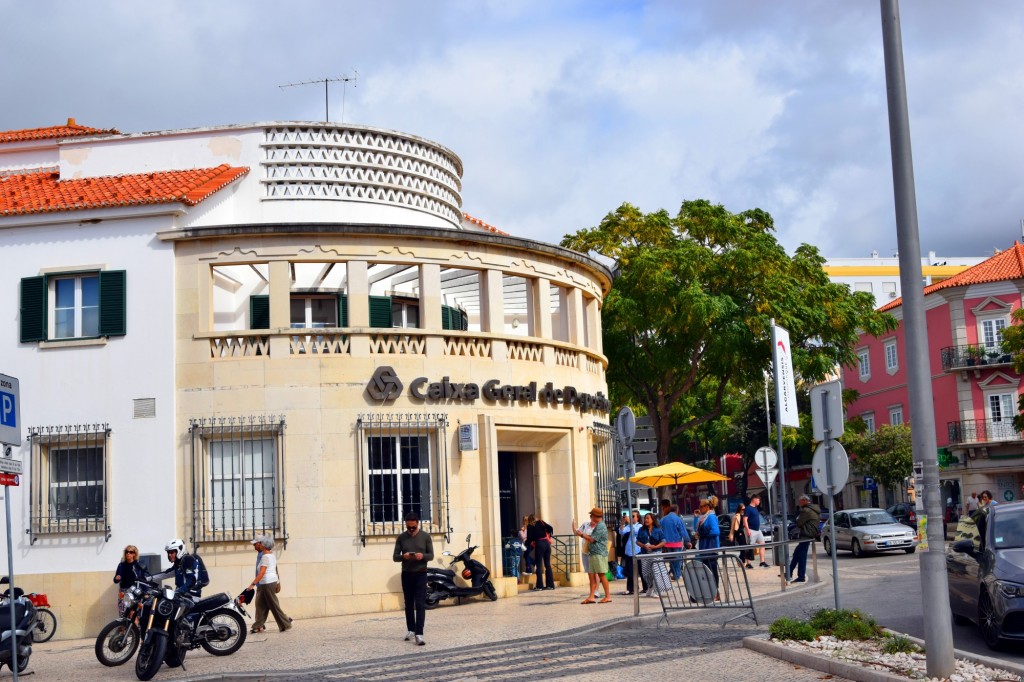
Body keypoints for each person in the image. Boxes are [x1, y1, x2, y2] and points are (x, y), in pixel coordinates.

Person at [393, 512, 434, 646]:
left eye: (413, 527)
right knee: (408, 603)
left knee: (420, 604)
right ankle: (410, 629)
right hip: (406, 574)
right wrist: (403, 556)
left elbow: (431, 555)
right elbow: (395, 557)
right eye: (408, 527)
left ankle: (419, 633)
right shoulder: (401, 538)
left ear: (418, 524)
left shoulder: (426, 537)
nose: (410, 530)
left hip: (421, 574)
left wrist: (422, 556)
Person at [245, 534, 292, 634]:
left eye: (257, 544)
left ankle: (285, 622)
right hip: (264, 583)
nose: (254, 546)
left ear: (261, 544)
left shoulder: (265, 556)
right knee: (261, 604)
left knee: (273, 604)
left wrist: (253, 584)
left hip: (266, 582)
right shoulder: (267, 554)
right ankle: (258, 625)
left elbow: (264, 572)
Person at [575, 507, 612, 604]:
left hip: (599, 554)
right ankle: (591, 596)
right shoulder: (598, 525)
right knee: (591, 575)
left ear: (595, 516)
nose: (590, 517)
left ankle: (608, 596)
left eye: (591, 515)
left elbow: (592, 539)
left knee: (601, 574)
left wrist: (582, 535)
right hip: (593, 553)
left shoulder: (601, 526)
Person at [789, 494, 821, 583]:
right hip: (810, 534)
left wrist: (800, 522)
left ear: (804, 501)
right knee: (796, 554)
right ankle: (789, 572)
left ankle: (801, 576)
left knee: (801, 556)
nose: (799, 503)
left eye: (800, 501)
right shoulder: (814, 509)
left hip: (806, 534)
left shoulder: (806, 510)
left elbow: (798, 523)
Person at [637, 512, 669, 597]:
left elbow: (663, 541)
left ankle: (657, 590)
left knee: (657, 571)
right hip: (645, 553)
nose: (646, 520)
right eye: (645, 518)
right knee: (646, 573)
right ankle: (650, 586)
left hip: (656, 552)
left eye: (648, 518)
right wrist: (643, 545)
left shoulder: (658, 529)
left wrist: (655, 546)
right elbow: (637, 541)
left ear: (652, 519)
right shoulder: (641, 529)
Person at [695, 497, 721, 596]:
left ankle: (715, 593)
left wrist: (703, 534)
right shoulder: (704, 517)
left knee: (712, 571)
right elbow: (697, 528)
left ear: (706, 507)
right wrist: (695, 517)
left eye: (701, 506)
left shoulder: (711, 517)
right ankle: (709, 592)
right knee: (706, 571)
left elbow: (716, 531)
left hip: (711, 548)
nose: (699, 508)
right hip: (705, 548)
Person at [659, 503, 689, 580]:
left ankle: (673, 572)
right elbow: (683, 531)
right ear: (677, 510)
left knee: (671, 559)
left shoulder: (663, 519)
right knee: (678, 559)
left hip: (666, 543)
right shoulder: (678, 519)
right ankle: (677, 575)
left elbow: (660, 531)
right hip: (677, 543)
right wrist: (687, 541)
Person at [618, 510, 645, 595]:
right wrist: (622, 523)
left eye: (633, 516)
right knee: (630, 571)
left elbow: (637, 532)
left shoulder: (639, 526)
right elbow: (621, 531)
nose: (632, 518)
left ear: (638, 517)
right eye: (631, 516)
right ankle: (631, 588)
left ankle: (646, 587)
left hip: (638, 551)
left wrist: (630, 523)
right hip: (629, 551)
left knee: (641, 570)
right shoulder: (629, 526)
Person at [526, 514, 555, 590]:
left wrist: (527, 544)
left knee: (538, 565)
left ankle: (539, 586)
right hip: (547, 544)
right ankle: (550, 585)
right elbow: (550, 528)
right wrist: (548, 534)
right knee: (547, 564)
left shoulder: (530, 526)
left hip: (539, 544)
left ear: (529, 520)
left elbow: (529, 538)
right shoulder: (541, 522)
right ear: (536, 518)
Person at [744, 495, 768, 568]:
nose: (759, 502)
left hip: (758, 530)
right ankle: (748, 563)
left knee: (762, 544)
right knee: (750, 546)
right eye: (758, 500)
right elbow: (745, 519)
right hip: (751, 530)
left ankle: (762, 562)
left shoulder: (756, 508)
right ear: (754, 500)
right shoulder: (748, 508)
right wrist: (747, 529)